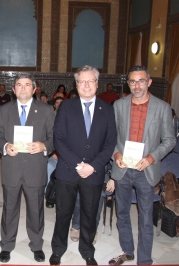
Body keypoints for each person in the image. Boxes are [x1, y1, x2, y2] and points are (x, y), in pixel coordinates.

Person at [50, 65, 117, 266]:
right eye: (81, 81)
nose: (86, 85)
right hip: (68, 171)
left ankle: (87, 250)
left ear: (97, 84)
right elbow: (58, 139)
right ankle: (58, 249)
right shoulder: (66, 107)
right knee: (63, 214)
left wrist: (93, 166)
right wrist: (77, 164)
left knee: (89, 214)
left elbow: (110, 142)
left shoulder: (106, 108)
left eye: (90, 81)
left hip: (94, 173)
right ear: (76, 85)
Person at [109, 65, 176, 265]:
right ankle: (127, 251)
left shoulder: (162, 107)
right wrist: (116, 153)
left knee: (146, 218)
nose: (137, 85)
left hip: (145, 170)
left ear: (149, 82)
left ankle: (144, 260)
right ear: (128, 83)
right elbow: (110, 137)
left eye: (141, 81)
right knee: (121, 213)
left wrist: (151, 158)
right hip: (122, 169)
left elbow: (170, 140)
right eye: (132, 81)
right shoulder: (118, 106)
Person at [0, 73, 54, 263]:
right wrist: (5, 146)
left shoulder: (46, 110)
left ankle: (36, 245)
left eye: (27, 85)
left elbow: (54, 137)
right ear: (13, 90)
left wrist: (44, 146)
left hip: (35, 168)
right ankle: (7, 244)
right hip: (11, 168)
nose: (23, 88)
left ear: (34, 89)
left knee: (36, 210)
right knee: (9, 208)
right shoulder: (4, 109)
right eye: (19, 84)